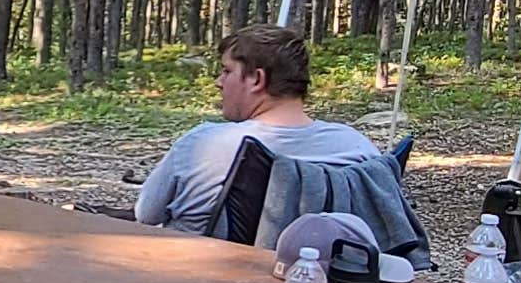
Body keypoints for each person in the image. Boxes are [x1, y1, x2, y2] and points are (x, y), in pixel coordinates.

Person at [132, 26, 388, 240]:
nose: (218, 82)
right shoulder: (356, 147)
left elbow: (146, 214)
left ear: (257, 79)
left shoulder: (204, 144)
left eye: (227, 71)